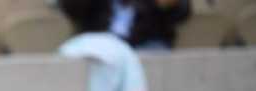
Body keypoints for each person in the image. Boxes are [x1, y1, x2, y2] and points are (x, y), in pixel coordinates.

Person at [59, 0, 192, 49]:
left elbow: (182, 13)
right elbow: (70, 9)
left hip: (146, 45)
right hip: (98, 46)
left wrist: (172, 5)